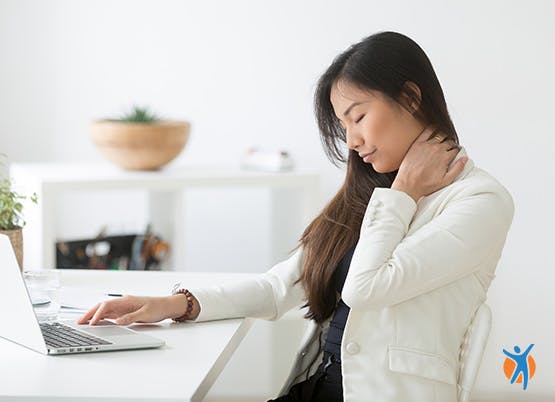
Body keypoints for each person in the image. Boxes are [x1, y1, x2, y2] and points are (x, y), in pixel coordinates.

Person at [78, 31, 515, 402]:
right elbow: (276, 288)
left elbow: (366, 287)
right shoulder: (371, 193)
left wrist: (402, 193)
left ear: (411, 97)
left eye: (357, 117)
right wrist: (175, 304)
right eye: (343, 127)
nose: (353, 141)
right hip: (318, 387)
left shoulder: (480, 201)